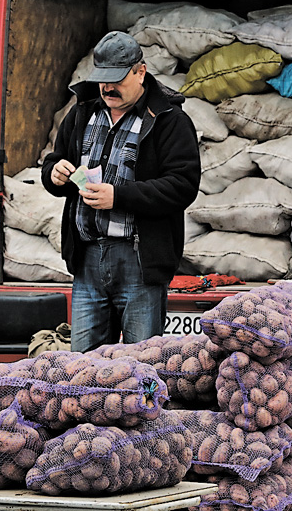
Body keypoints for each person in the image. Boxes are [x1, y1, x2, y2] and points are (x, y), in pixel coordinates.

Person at [41, 31, 201, 353]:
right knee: (83, 371)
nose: (107, 88)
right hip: (87, 259)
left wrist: (120, 197)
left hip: (139, 262)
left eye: (116, 79)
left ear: (140, 72)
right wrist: (53, 173)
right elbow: (56, 161)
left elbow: (183, 185)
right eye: (102, 80)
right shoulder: (83, 112)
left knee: (141, 369)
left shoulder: (169, 119)